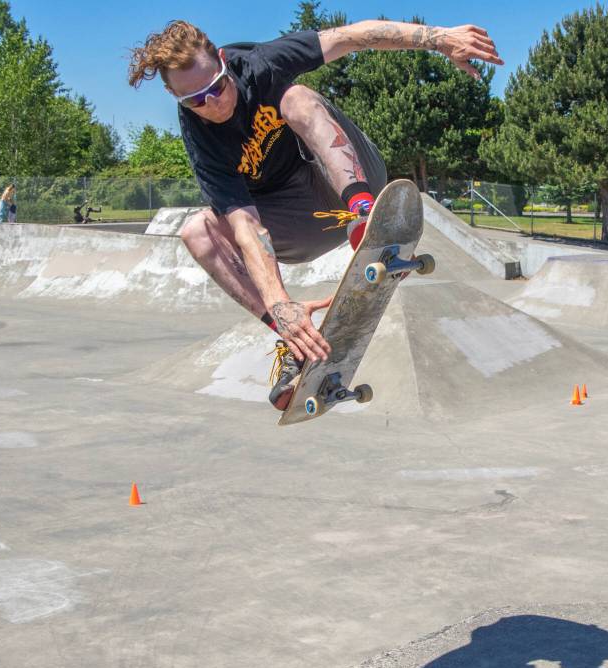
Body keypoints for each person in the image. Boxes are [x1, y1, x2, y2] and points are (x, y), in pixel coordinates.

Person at [128, 20, 502, 409]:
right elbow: (245, 226)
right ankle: (293, 340)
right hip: (299, 223)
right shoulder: (201, 141)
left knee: (297, 98)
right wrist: (279, 305)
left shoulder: (261, 64)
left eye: (217, 87)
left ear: (223, 62)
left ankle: (364, 215)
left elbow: (352, 37)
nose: (212, 104)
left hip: (346, 179)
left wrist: (441, 40)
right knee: (197, 232)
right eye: (195, 101)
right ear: (175, 96)